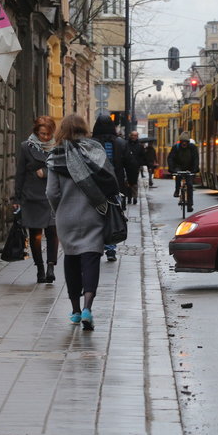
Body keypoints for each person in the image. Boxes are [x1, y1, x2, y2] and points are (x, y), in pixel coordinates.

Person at [47, 114, 121, 331]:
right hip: (93, 213)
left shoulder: (56, 155)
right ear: (84, 129)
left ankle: (76, 311)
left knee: (71, 260)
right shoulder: (95, 151)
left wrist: (58, 211)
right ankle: (88, 307)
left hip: (66, 217)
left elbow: (51, 192)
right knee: (90, 260)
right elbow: (110, 180)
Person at [13, 115, 59, 284]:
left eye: (48, 134)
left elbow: (63, 168)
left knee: (53, 232)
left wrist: (46, 172)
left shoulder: (58, 147)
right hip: (32, 196)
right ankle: (39, 267)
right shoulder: (26, 147)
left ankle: (51, 266)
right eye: (42, 134)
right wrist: (16, 197)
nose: (45, 137)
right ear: (36, 132)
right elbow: (20, 173)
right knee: (36, 235)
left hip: (52, 196)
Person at [91, 114, 129, 261]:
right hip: (115, 186)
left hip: (95, 186)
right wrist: (131, 182)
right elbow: (129, 164)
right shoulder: (120, 143)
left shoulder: (90, 143)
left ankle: (96, 246)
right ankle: (111, 249)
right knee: (112, 216)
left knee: (96, 216)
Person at [167, 131, 199, 211]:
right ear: (180, 142)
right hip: (179, 166)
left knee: (190, 185)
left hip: (189, 168)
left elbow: (196, 159)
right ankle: (177, 190)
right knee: (178, 175)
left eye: (186, 142)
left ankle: (190, 205)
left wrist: (195, 169)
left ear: (188, 142)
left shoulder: (192, 148)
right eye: (182, 142)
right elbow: (170, 158)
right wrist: (171, 168)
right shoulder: (176, 147)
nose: (184, 143)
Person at [125, 131, 145, 204]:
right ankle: (129, 197)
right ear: (130, 136)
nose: (133, 137)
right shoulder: (126, 144)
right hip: (127, 166)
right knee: (128, 182)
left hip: (135, 167)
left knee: (134, 182)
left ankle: (135, 197)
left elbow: (142, 156)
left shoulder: (140, 146)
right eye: (132, 135)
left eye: (135, 135)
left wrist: (139, 164)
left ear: (137, 136)